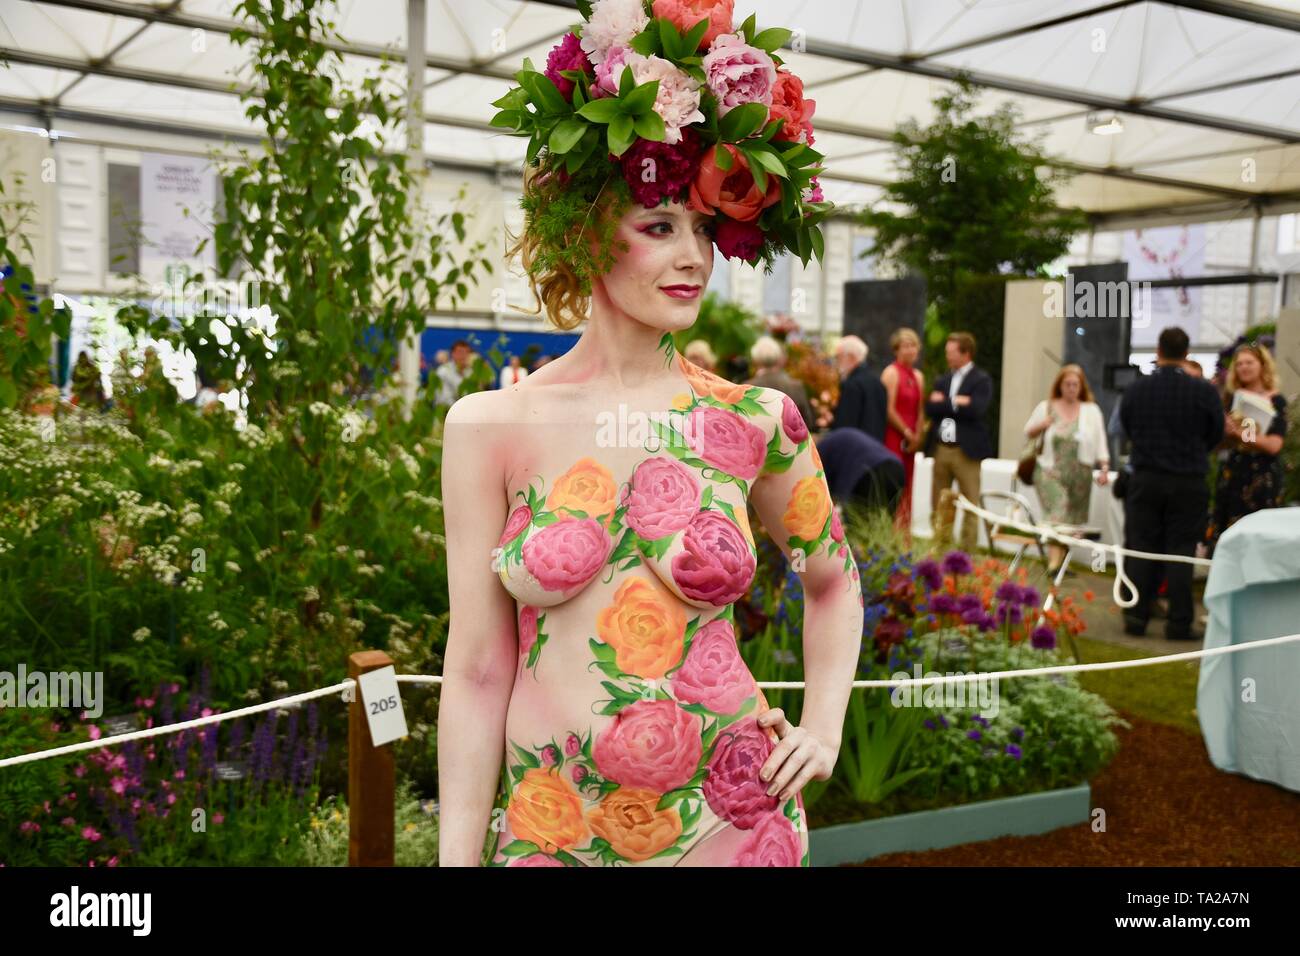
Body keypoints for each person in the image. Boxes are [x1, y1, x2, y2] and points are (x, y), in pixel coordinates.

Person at [438, 8, 860, 869]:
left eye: (706, 230)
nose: (694, 257)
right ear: (588, 234)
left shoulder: (754, 422)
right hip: (550, 829)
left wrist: (823, 727)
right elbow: (477, 673)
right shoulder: (488, 427)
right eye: (659, 226)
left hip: (731, 823)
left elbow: (832, 581)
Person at [1118, 326, 1224, 640]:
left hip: (1146, 477)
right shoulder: (1203, 391)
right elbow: (1215, 432)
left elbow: (1127, 426)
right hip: (1187, 480)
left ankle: (1135, 616)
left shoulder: (1137, 389)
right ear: (1186, 353)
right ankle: (1178, 622)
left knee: (1141, 545)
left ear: (1158, 351)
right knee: (1181, 551)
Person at [1023, 364, 1110, 574]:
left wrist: (1104, 466)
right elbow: (1028, 432)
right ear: (1059, 385)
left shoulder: (1091, 411)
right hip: (1050, 470)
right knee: (1058, 510)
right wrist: (1043, 424)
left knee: (1072, 518)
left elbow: (1100, 440)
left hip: (1080, 473)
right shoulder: (1047, 407)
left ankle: (1061, 561)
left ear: (1081, 387)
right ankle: (1054, 563)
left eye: (1075, 385)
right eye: (1067, 384)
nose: (1071, 388)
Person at [1205, 343, 1288, 554]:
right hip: (1233, 473)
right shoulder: (1230, 398)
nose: (1244, 367)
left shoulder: (1277, 400)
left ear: (1262, 365)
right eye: (1239, 363)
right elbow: (1219, 444)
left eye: (1249, 362)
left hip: (1261, 477)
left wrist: (1239, 434)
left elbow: (1274, 445)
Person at [924, 332, 993, 551]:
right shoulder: (943, 379)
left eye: (951, 353)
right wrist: (956, 402)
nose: (948, 357)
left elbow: (976, 409)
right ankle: (940, 548)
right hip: (942, 449)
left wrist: (945, 402)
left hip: (966, 452)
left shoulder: (981, 380)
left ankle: (966, 553)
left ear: (966, 353)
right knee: (940, 502)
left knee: (970, 503)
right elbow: (930, 408)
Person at [880, 327, 924, 534]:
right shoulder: (891, 373)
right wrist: (907, 432)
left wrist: (918, 435)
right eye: (905, 346)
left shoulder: (918, 376)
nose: (910, 350)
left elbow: (920, 409)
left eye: (913, 345)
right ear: (896, 349)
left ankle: (904, 532)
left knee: (909, 485)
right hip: (894, 436)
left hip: (912, 439)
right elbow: (888, 409)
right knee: (894, 482)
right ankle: (888, 530)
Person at [815, 427, 905, 517]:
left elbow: (829, 488)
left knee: (857, 521)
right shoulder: (837, 438)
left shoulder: (819, 452)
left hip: (873, 473)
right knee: (884, 522)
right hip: (898, 469)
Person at [745, 335, 813, 434]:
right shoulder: (796, 386)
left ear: (755, 360)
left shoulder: (748, 387)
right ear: (779, 358)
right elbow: (807, 422)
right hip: (790, 445)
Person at [831, 335, 887, 441]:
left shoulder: (852, 385)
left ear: (851, 357)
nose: (837, 361)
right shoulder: (877, 382)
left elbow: (845, 426)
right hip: (876, 446)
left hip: (856, 448)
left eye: (839, 356)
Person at [435, 340, 473, 407]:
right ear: (452, 354)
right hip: (446, 413)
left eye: (467, 352)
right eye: (460, 352)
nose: (463, 355)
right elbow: (444, 399)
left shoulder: (471, 372)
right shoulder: (443, 371)